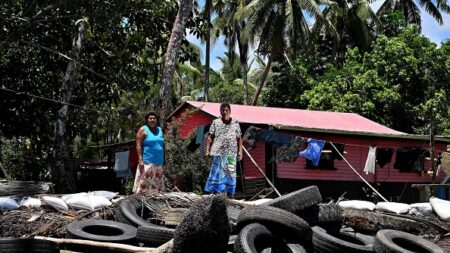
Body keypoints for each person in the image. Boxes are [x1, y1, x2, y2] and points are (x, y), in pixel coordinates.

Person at [205, 103, 243, 196]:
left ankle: (230, 194)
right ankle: (215, 193)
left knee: (231, 172)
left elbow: (239, 138)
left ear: (230, 111)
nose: (224, 112)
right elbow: (210, 137)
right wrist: (207, 150)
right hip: (218, 152)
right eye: (222, 110)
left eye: (226, 110)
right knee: (217, 172)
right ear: (220, 111)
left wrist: (240, 151)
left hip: (231, 153)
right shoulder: (215, 122)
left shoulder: (235, 123)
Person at [133, 112, 165, 193]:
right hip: (147, 162)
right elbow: (138, 144)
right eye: (150, 118)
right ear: (147, 120)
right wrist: (140, 159)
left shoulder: (160, 130)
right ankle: (140, 203)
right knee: (144, 186)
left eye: (154, 118)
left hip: (158, 162)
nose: (152, 120)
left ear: (157, 120)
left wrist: (165, 158)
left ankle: (154, 203)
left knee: (156, 188)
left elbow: (162, 145)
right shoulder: (143, 129)